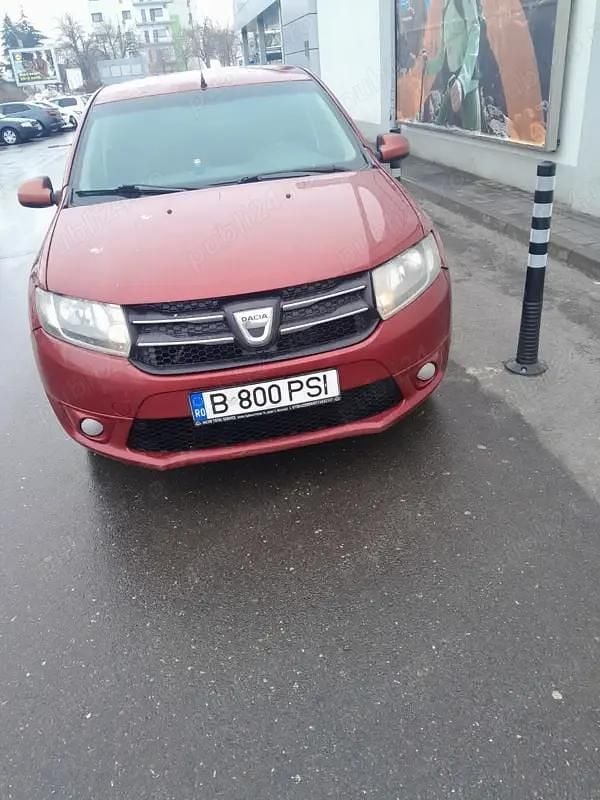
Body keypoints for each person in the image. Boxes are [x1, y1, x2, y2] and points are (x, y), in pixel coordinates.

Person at [422, 0, 482, 131]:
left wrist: (463, 81)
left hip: (467, 83)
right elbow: (443, 48)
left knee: (473, 140)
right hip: (451, 80)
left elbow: (475, 32)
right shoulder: (445, 4)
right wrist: (427, 68)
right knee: (439, 131)